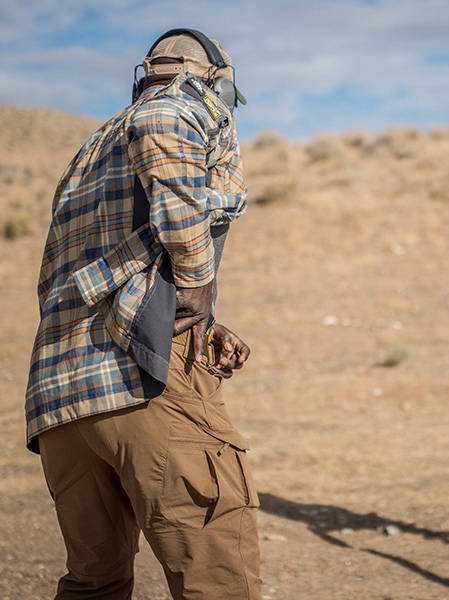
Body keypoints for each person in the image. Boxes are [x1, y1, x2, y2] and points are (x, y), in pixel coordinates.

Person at [25, 28, 261, 599]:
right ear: (212, 79)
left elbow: (87, 270)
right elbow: (172, 167)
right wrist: (197, 288)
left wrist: (204, 322)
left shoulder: (92, 148)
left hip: (64, 396)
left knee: (94, 583)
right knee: (217, 578)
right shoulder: (175, 108)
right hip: (142, 378)